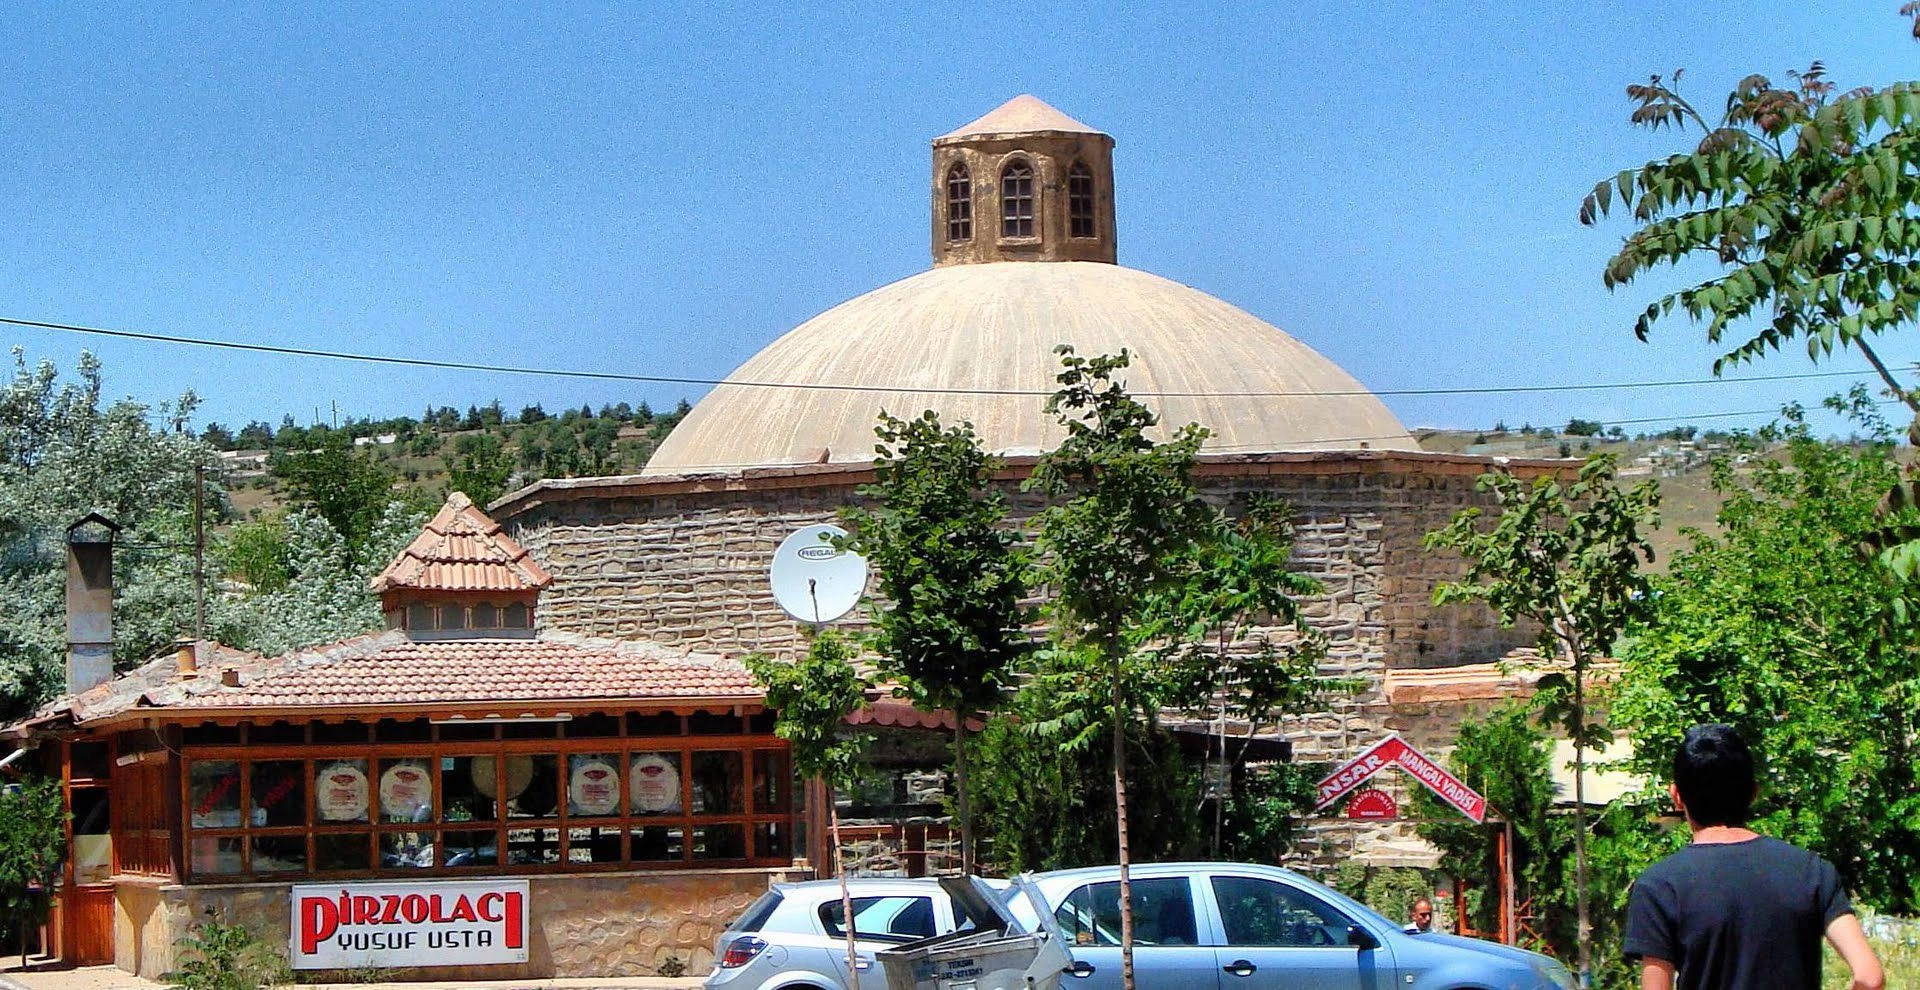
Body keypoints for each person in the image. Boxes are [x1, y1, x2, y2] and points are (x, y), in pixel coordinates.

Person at [1623, 724, 1884, 990]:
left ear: (1677, 796)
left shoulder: (1659, 886)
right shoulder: (1811, 871)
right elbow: (1870, 978)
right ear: (1753, 793)